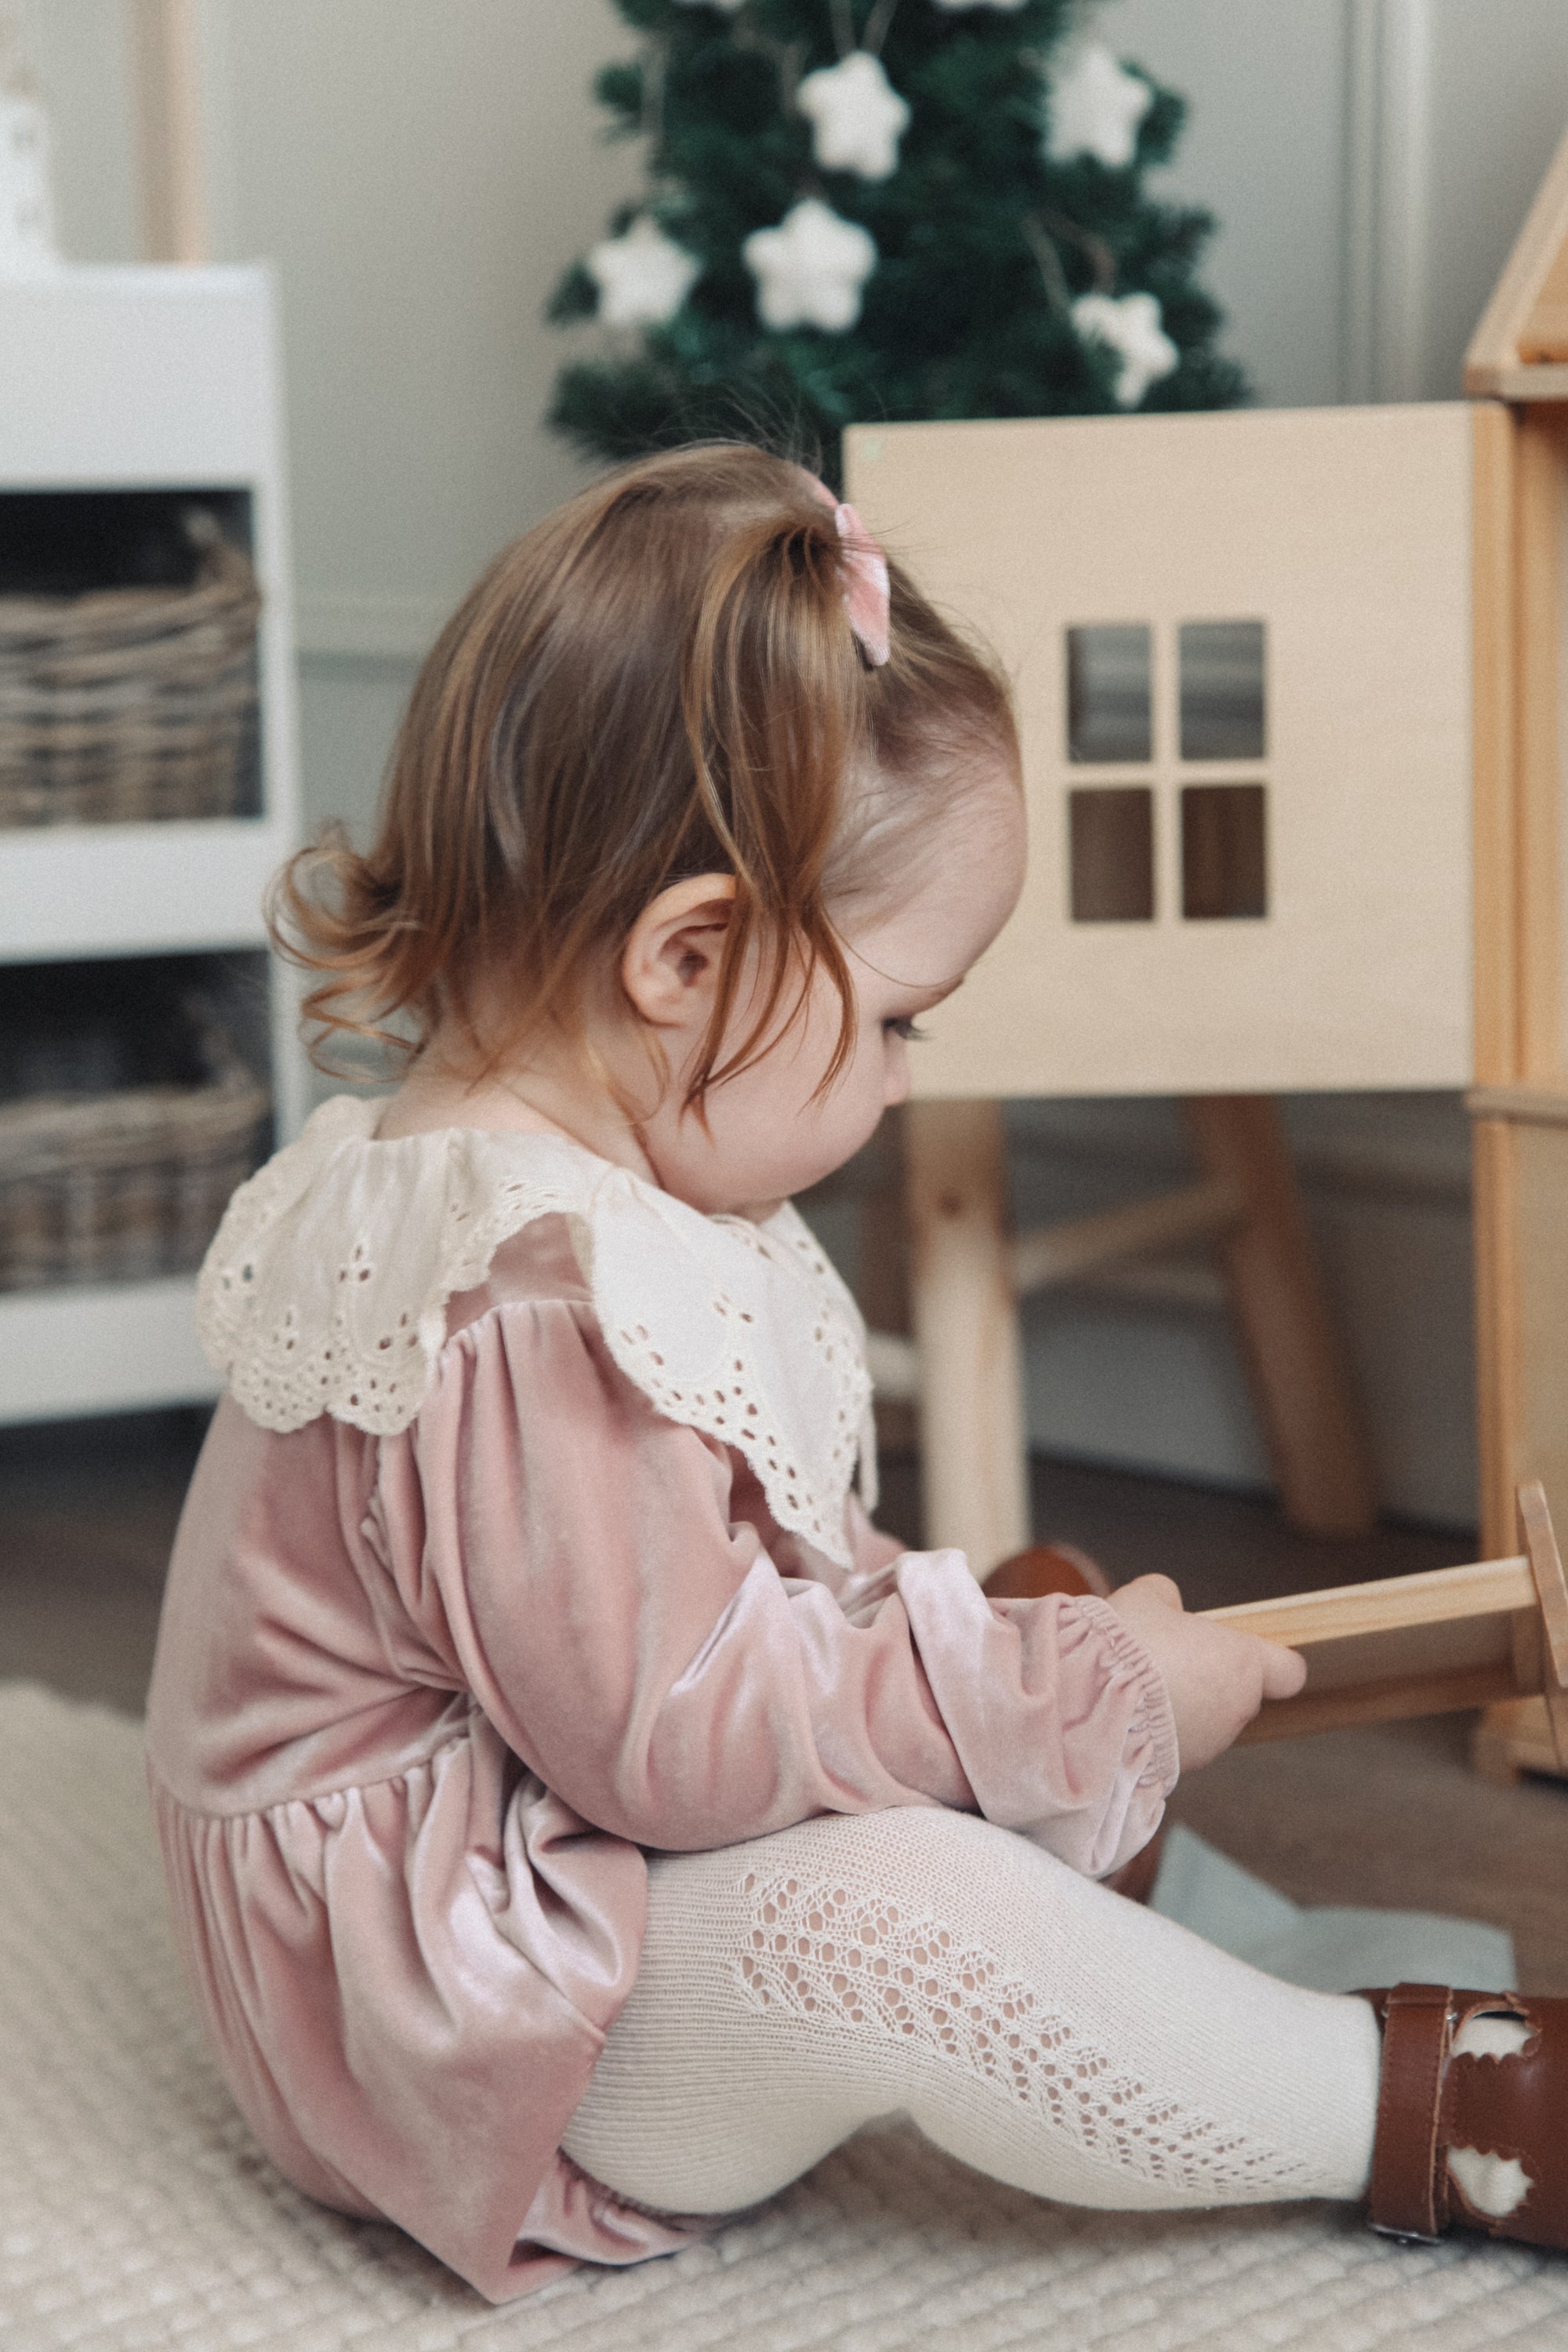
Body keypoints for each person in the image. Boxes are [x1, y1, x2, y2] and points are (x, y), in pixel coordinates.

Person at [146, 445, 1566, 2305]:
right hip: (461, 2006)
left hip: (523, 1863)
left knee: (997, 1641)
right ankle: (1419, 2105)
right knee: (918, 1910)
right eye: (900, 1019)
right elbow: (672, 1746)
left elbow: (737, 1594)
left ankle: (1234, 1958)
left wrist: (1020, 1672)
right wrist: (1045, 1704)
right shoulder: (534, 1295)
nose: (905, 1080)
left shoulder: (572, 1180)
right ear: (690, 953)